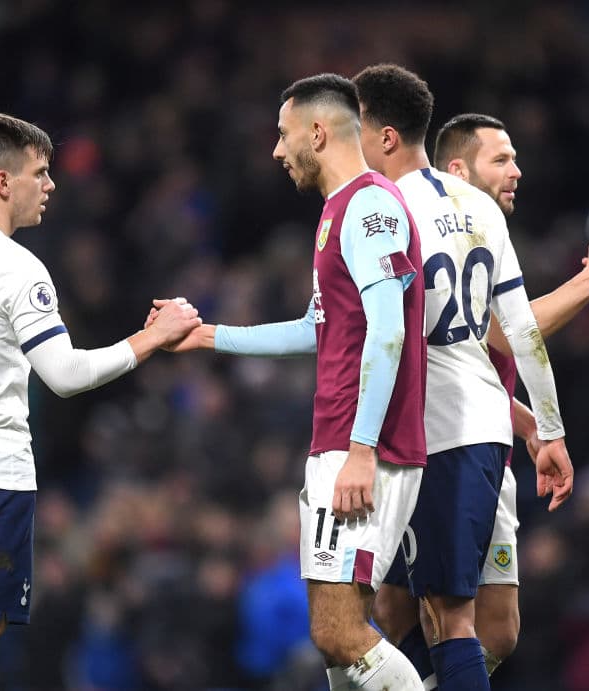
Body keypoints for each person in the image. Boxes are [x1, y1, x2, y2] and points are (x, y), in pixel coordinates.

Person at [0, 112, 201, 691]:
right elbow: (65, 373)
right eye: (41, 172)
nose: (51, 185)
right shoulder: (19, 268)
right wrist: (152, 337)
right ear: (4, 181)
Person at [149, 74, 429, 691]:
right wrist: (209, 336)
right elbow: (316, 328)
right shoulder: (338, 212)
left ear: (318, 132)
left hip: (362, 451)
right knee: (340, 648)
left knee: (337, 633)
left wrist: (360, 448)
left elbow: (389, 332)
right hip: (343, 443)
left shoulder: (371, 205)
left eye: (283, 134)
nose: (276, 150)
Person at [352, 64, 573, 691]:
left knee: (449, 620)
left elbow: (378, 334)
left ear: (385, 134)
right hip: (482, 428)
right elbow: (523, 330)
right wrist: (548, 429)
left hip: (430, 433)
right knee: (409, 613)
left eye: (356, 129)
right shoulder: (479, 207)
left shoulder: (383, 211)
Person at [432, 112, 589, 681]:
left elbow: (474, 358)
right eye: (501, 160)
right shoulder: (440, 231)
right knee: (429, 616)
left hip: (488, 441)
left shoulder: (485, 232)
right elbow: (501, 334)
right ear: (458, 170)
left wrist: (527, 423)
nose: (517, 171)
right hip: (441, 449)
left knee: (499, 631)